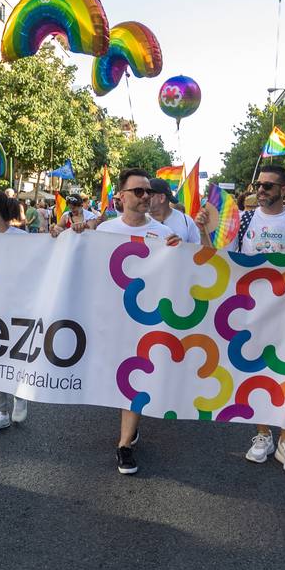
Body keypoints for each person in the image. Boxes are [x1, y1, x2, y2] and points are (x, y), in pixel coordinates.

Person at [93, 168, 180, 474]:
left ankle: (124, 444)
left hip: (146, 320)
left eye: (149, 192)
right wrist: (66, 236)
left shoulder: (164, 234)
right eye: (138, 191)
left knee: (135, 378)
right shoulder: (104, 231)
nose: (146, 197)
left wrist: (179, 253)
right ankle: (130, 428)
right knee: (114, 377)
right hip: (110, 318)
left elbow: (181, 273)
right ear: (121, 196)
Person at [231, 164, 285, 472]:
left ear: (284, 190)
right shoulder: (244, 220)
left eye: (268, 186)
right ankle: (263, 435)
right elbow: (225, 259)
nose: (260, 190)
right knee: (257, 372)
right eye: (258, 185)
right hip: (252, 310)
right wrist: (202, 231)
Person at [0, 191, 35, 435]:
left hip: (17, 309)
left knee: (17, 357)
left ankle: (20, 394)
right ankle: (0, 413)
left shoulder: (22, 239)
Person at [145, 178, 203, 244]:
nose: (144, 197)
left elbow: (197, 247)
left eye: (149, 193)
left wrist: (182, 246)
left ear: (162, 198)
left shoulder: (186, 221)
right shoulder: (138, 220)